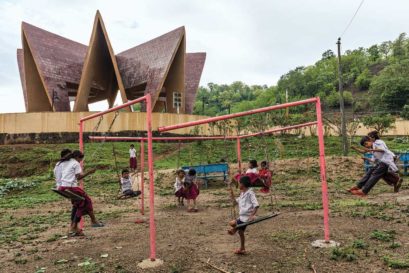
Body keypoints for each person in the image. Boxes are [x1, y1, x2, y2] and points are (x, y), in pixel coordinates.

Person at [57, 150, 104, 236]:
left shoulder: (65, 162)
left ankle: (77, 224)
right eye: (80, 159)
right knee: (86, 202)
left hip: (63, 186)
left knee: (78, 203)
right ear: (77, 157)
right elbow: (78, 177)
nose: (80, 161)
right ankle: (76, 225)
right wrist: (89, 172)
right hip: (71, 187)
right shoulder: (75, 163)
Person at [228, 176, 259, 255]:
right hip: (242, 217)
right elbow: (235, 202)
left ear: (243, 184)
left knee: (235, 227)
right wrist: (232, 195)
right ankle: (242, 248)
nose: (238, 185)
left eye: (239, 183)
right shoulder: (242, 193)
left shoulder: (250, 193)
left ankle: (234, 230)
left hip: (246, 217)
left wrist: (252, 216)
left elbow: (256, 205)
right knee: (238, 230)